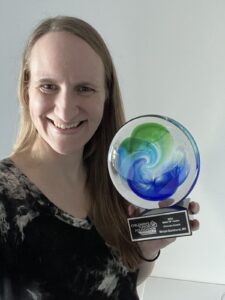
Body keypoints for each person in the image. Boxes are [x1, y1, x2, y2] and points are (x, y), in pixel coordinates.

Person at [0, 16, 200, 300]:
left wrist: (148, 248)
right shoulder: (5, 200)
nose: (65, 111)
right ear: (26, 90)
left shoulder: (118, 180)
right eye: (48, 86)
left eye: (84, 88)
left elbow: (123, 281)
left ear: (106, 96)